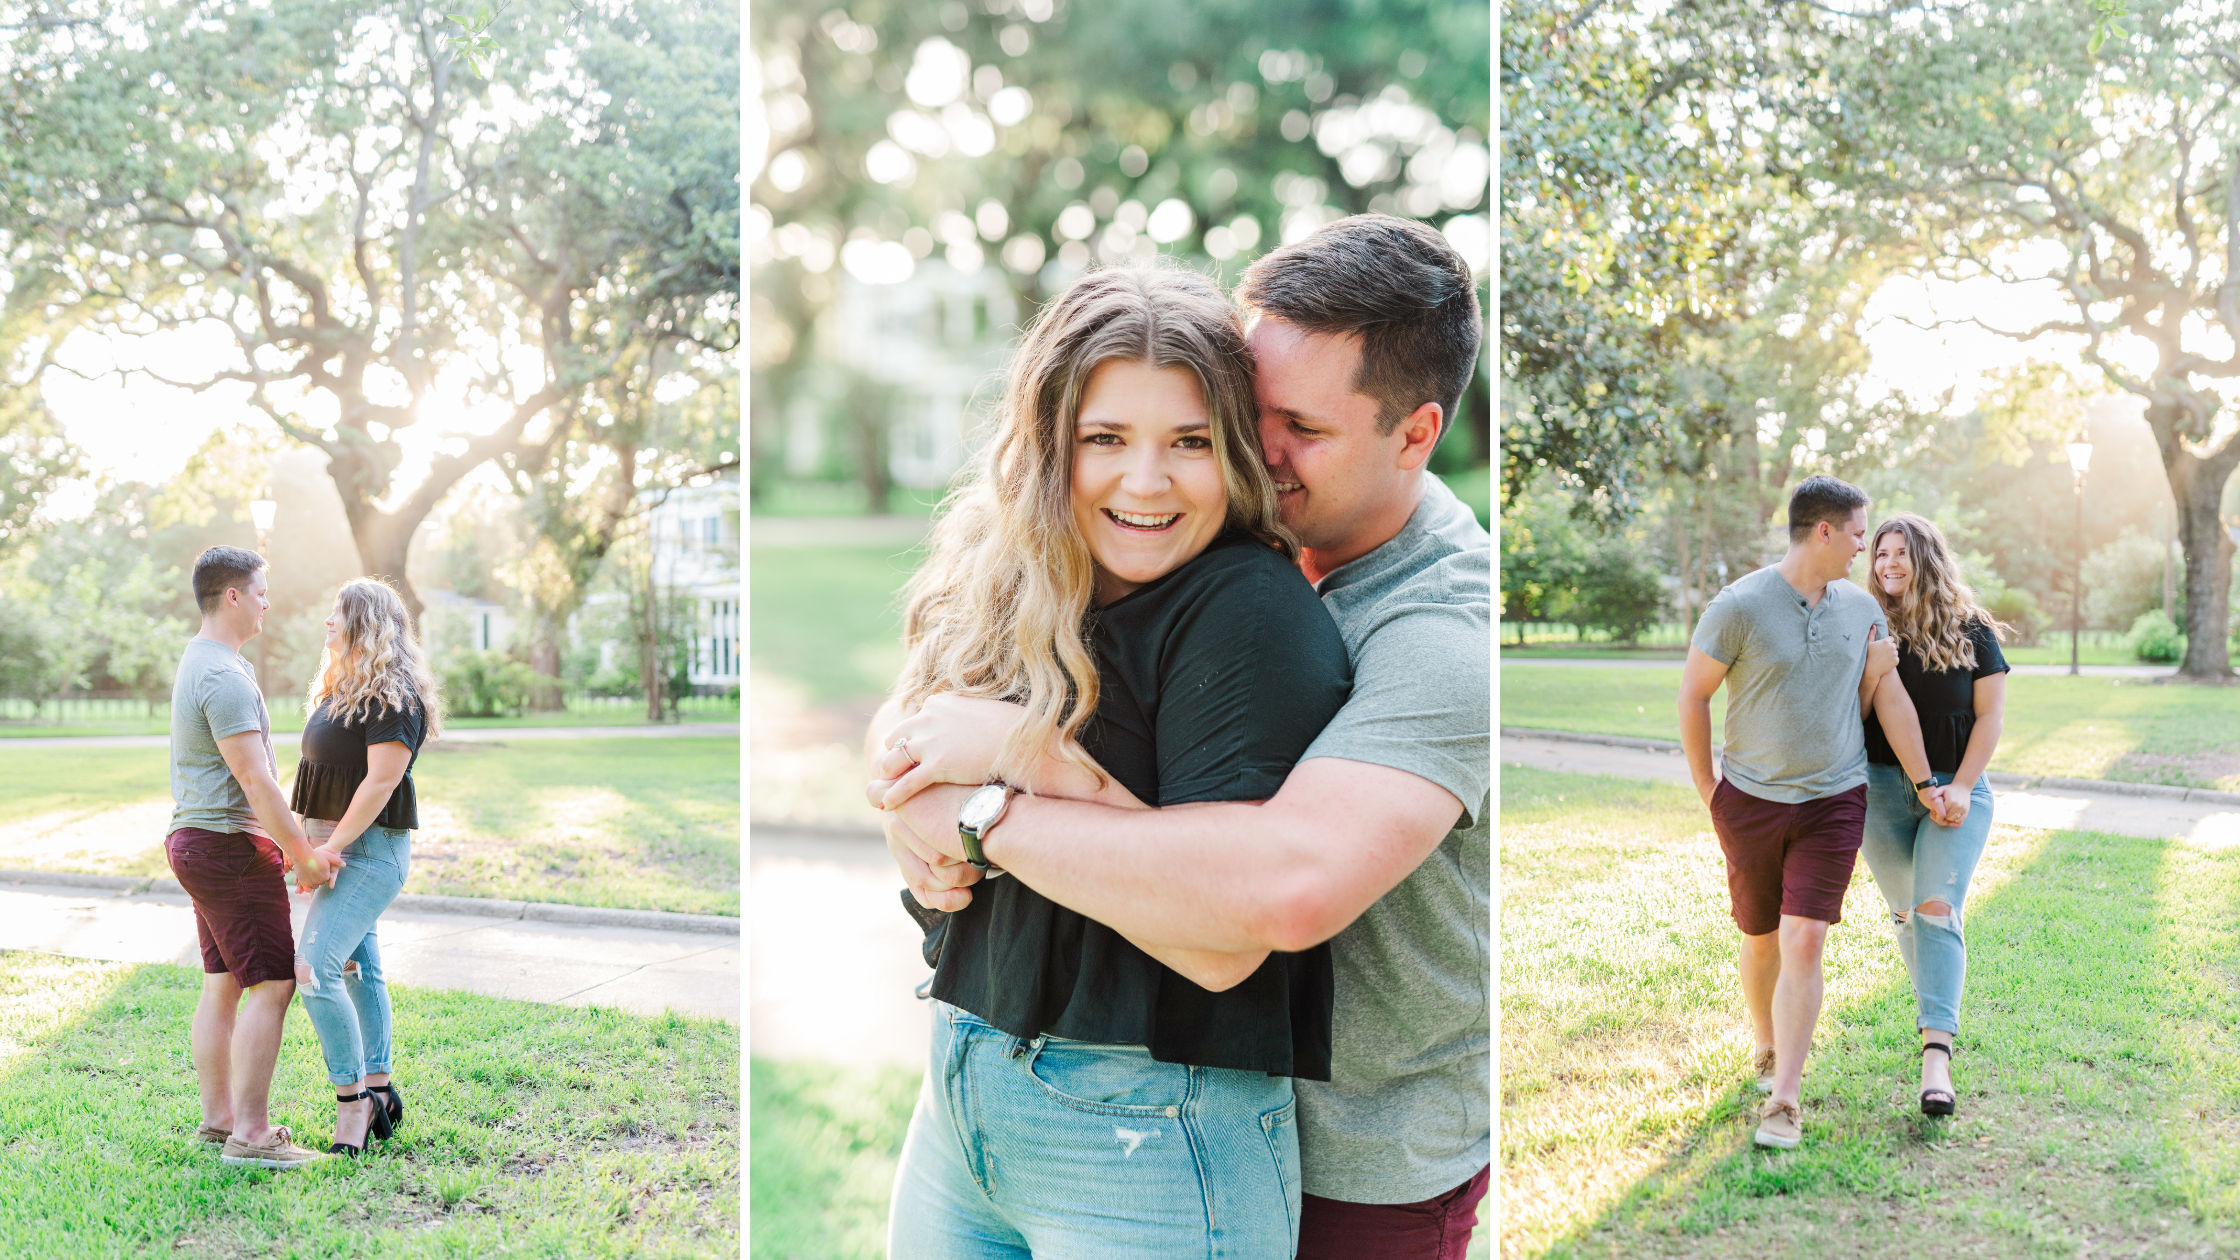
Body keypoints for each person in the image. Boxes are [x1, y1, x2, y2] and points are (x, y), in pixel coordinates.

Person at [873, 213, 1490, 1256]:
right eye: (1240, 411)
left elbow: (1271, 894)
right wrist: (901, 772)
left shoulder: (1438, 634)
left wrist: (998, 791)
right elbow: (941, 694)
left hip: (1358, 1143)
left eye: (1296, 426)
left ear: (1414, 435)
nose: (1256, 449)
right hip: (1047, 1091)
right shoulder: (1202, 541)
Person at [1677, 475, 1954, 1151]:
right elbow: (1694, 696)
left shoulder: (1861, 608)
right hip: (1749, 800)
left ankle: (1785, 1099)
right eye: (1860, 533)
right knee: (1762, 932)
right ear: (1824, 532)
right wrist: (1710, 790)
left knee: (1805, 937)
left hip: (1834, 798)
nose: (1867, 546)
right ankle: (1766, 1043)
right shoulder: (1739, 605)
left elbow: (1887, 699)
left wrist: (1925, 784)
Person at [166, 546, 339, 1170]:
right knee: (272, 982)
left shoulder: (204, 660)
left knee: (224, 984)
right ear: (233, 596)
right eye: (262, 591)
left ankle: (219, 1123)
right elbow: (256, 780)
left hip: (198, 842)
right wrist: (304, 853)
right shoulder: (222, 675)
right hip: (226, 847)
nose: (269, 601)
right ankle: (252, 1135)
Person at [1856, 513, 2009, 1117]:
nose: (1888, 564)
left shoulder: (1972, 629)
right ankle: (1936, 1011)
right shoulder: (1862, 626)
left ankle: (1936, 1053)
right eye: (1880, 554)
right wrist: (1873, 666)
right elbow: (1853, 713)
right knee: (1906, 915)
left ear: (1927, 559)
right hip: (1878, 792)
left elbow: (1990, 718)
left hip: (1953, 793)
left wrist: (1965, 787)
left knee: (1936, 910)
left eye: (1901, 553)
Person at [289, 577, 440, 1156]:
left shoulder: (393, 695)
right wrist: (302, 844)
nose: (327, 623)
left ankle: (352, 1103)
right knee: (357, 968)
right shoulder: (340, 688)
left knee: (314, 970)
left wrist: (330, 850)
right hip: (335, 854)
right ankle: (381, 1089)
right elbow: (318, 776)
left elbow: (382, 781)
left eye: (337, 614)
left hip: (369, 854)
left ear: (366, 625)